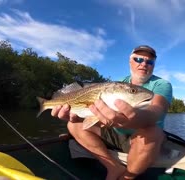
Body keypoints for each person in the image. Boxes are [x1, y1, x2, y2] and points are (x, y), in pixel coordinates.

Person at [51, 45, 173, 180]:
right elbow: (93, 111)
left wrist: (134, 119)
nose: (143, 64)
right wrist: (81, 117)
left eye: (149, 61)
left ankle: (127, 177)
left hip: (141, 139)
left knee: (153, 132)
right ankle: (113, 167)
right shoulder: (119, 82)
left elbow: (157, 110)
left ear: (153, 65)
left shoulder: (162, 84)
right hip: (115, 132)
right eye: (138, 59)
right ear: (130, 62)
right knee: (73, 125)